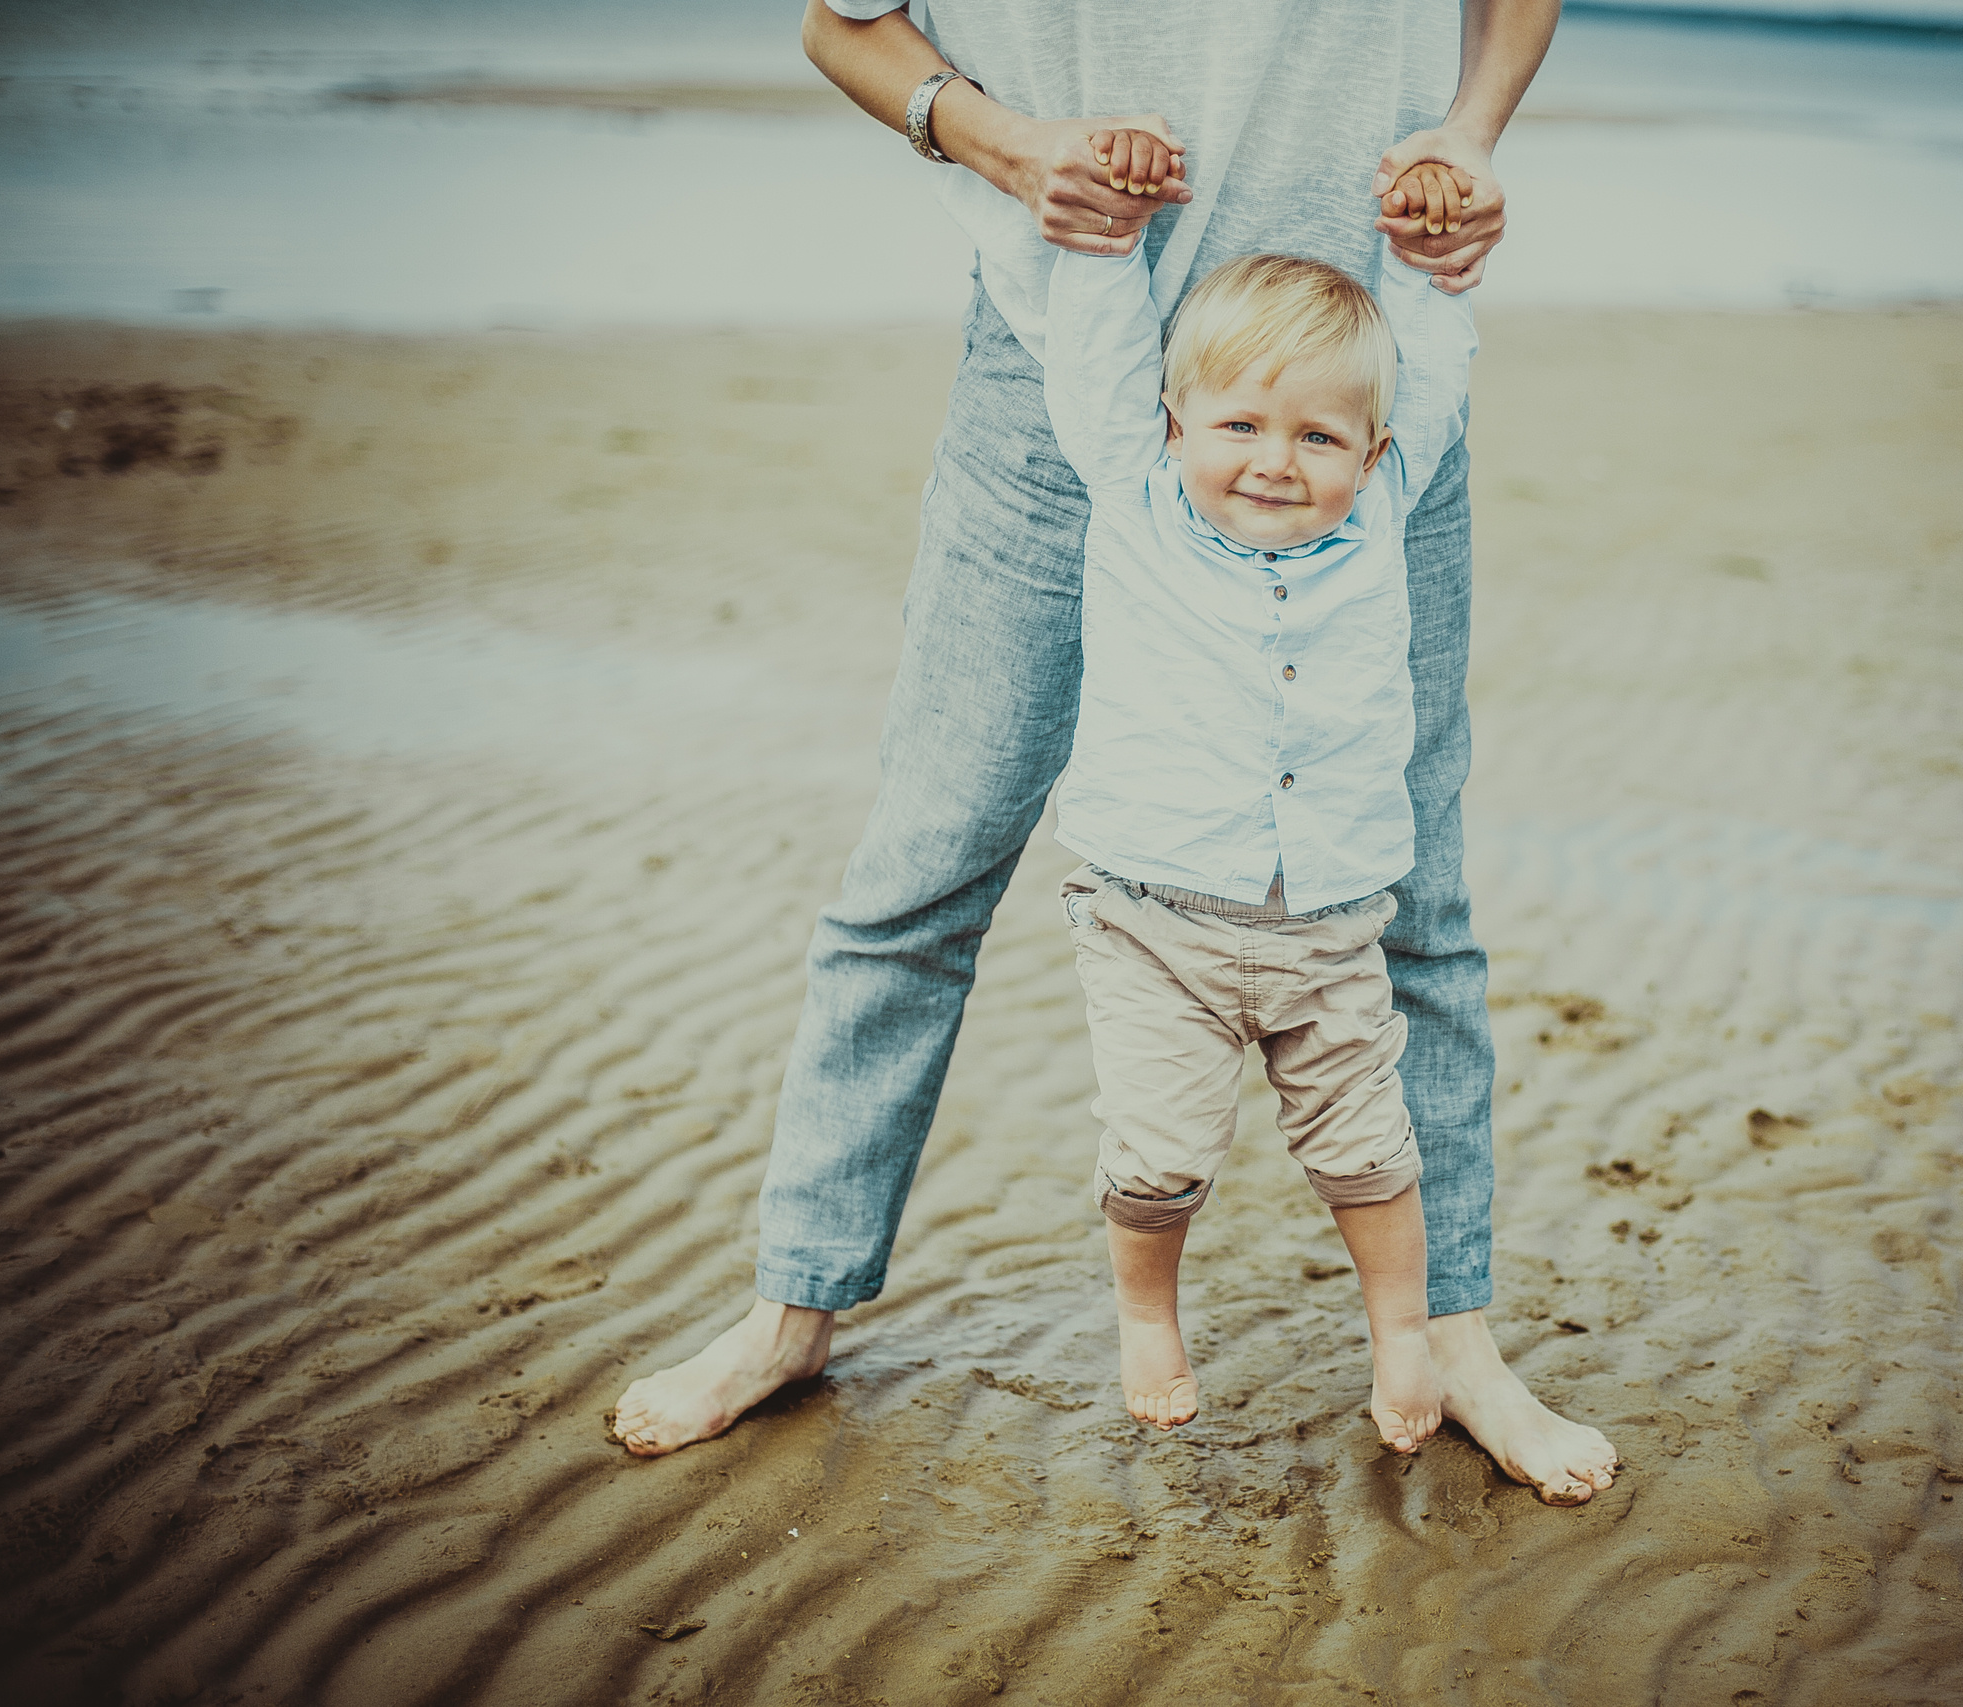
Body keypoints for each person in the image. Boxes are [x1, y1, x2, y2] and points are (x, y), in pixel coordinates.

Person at [613, 0, 1621, 1506]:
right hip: (1058, 337)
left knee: (1410, 880)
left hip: (1359, 361)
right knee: (925, 860)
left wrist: (1469, 135)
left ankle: (1451, 1337)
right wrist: (1007, 145)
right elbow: (846, 22)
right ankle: (793, 1306)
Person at [1048, 161, 1474, 1448]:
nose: (1275, 462)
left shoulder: (1387, 516)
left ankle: (1402, 1335)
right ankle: (1145, 1317)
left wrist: (1427, 246)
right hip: (1152, 920)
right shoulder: (1135, 504)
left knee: (1367, 1152)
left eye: (1318, 437)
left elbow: (1435, 358)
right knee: (1160, 1157)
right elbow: (1095, 354)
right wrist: (1105, 243)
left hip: (1329, 926)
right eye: (1239, 425)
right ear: (1174, 426)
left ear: (1374, 454)